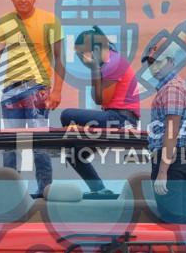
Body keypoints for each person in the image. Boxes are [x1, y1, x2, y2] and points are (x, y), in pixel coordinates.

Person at [0, 0, 64, 196]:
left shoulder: (49, 20)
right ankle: (10, 191)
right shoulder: (6, 22)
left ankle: (44, 189)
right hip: (11, 90)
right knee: (10, 143)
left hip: (38, 89)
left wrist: (57, 91)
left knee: (39, 142)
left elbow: (60, 59)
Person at [60, 27, 140, 195]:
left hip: (120, 119)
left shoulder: (114, 63)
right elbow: (100, 98)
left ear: (95, 50)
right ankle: (100, 190)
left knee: (66, 115)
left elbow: (100, 99)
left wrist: (94, 67)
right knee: (74, 155)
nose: (81, 59)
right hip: (114, 117)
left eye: (82, 54)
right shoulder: (110, 63)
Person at [142, 46, 186, 224]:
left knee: (172, 223)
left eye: (159, 62)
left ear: (171, 62)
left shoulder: (171, 90)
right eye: (151, 63)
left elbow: (172, 132)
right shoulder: (176, 86)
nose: (154, 68)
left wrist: (162, 171)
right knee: (183, 222)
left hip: (171, 162)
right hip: (181, 158)